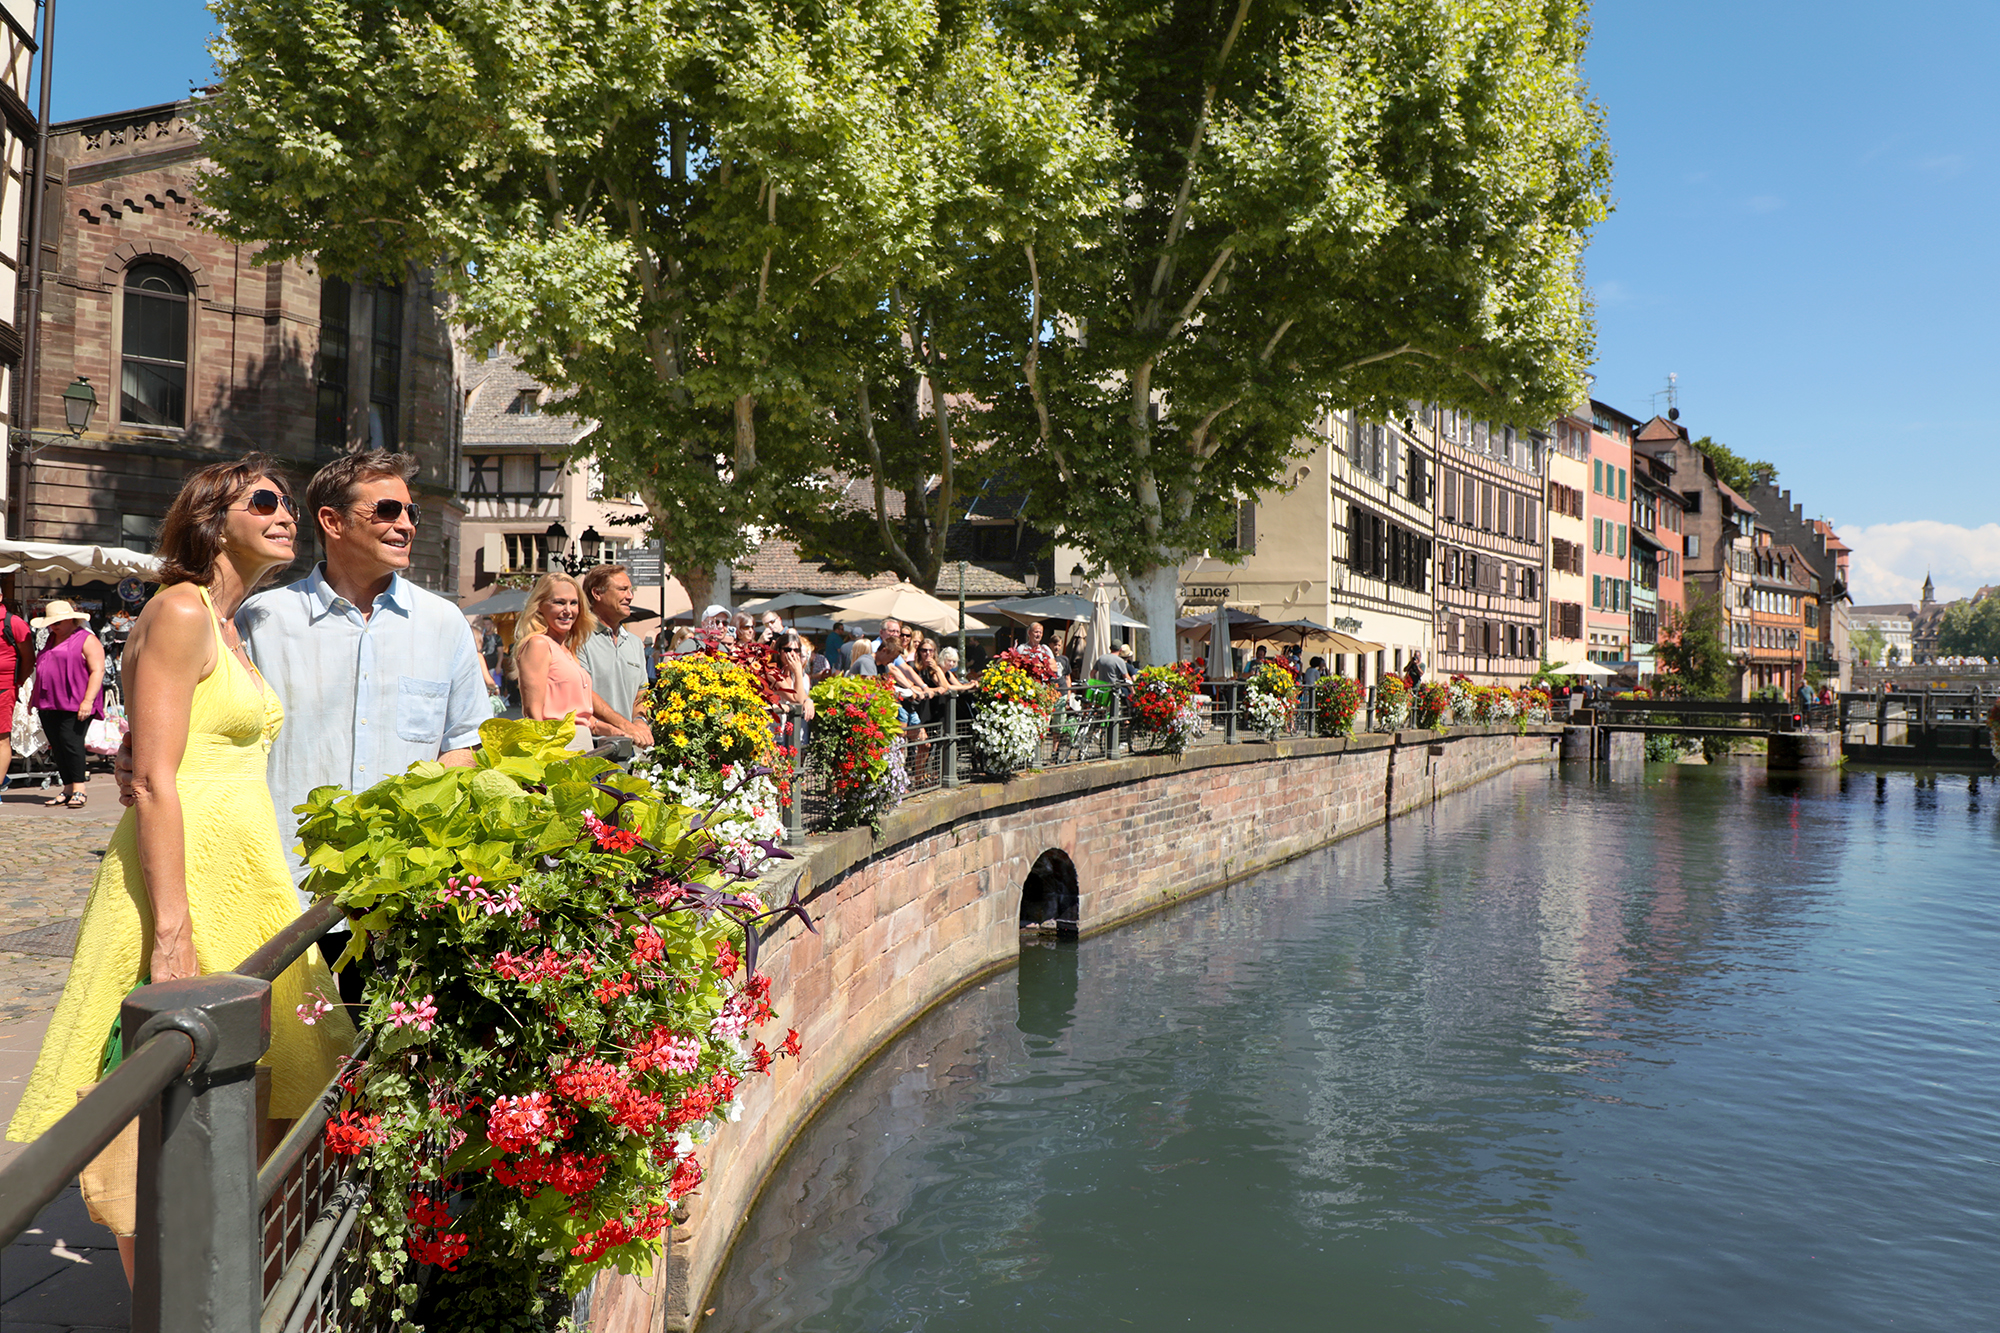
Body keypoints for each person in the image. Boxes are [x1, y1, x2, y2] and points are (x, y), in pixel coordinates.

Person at [9, 456, 354, 1275]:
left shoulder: (229, 623)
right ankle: (167, 1306)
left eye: (286, 502)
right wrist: (171, 930)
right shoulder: (180, 609)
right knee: (159, 1094)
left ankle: (237, 1290)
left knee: (258, 1084)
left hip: (241, 873)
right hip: (183, 875)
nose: (285, 513)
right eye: (263, 500)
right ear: (211, 518)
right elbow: (159, 779)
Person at [230, 451, 490, 886]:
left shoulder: (444, 623)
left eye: (411, 512)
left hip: (404, 884)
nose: (406, 525)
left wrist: (416, 822)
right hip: (287, 877)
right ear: (333, 522)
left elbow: (466, 742)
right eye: (387, 510)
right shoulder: (263, 619)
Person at [31, 600, 107, 809]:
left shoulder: (86, 639)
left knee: (71, 742)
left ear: (71, 620)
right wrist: (33, 698)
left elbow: (98, 670)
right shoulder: (50, 639)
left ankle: (80, 788)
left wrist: (88, 701)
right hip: (48, 701)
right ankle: (67, 788)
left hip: (75, 700)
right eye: (51, 623)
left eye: (57, 622)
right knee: (57, 745)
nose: (53, 627)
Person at [515, 573, 596, 751]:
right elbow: (533, 712)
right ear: (540, 606)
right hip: (557, 745)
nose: (568, 610)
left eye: (573, 603)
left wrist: (619, 729)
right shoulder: (539, 644)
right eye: (559, 602)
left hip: (581, 742)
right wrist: (544, 755)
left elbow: (580, 715)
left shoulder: (566, 649)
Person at [578, 564, 654, 751]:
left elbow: (642, 692)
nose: (630, 596)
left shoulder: (635, 643)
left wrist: (640, 721)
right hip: (592, 749)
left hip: (629, 749)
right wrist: (625, 726)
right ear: (597, 593)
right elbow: (582, 691)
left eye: (630, 590)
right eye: (622, 589)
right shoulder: (578, 638)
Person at [0, 592, 30, 788]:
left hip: (3, 688)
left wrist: (17, 682)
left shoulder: (13, 623)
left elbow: (28, 658)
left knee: (1, 740)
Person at [774, 633, 816, 754]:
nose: (792, 654)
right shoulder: (773, 672)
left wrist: (808, 700)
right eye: (788, 650)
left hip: (789, 732)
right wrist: (798, 671)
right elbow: (797, 699)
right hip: (774, 735)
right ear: (779, 651)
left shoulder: (792, 673)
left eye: (796, 650)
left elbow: (802, 696)